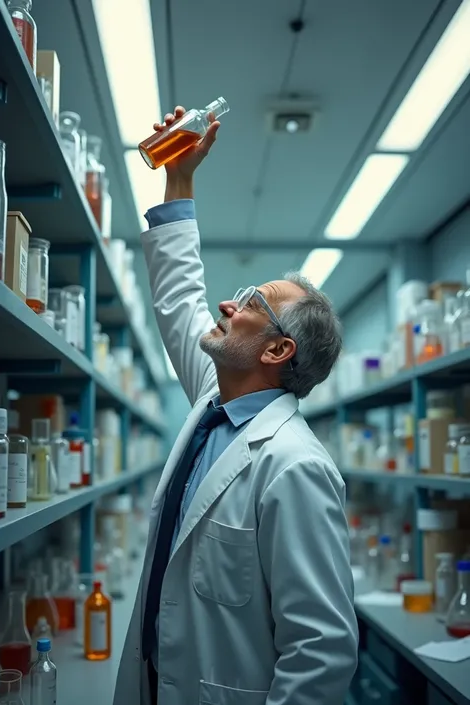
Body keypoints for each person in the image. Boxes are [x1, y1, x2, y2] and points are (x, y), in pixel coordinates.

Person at [114, 106, 358, 705]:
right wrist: (179, 177)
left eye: (252, 300)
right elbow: (180, 298)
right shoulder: (212, 403)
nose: (228, 303)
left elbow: (320, 652)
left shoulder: (295, 467)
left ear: (277, 348)